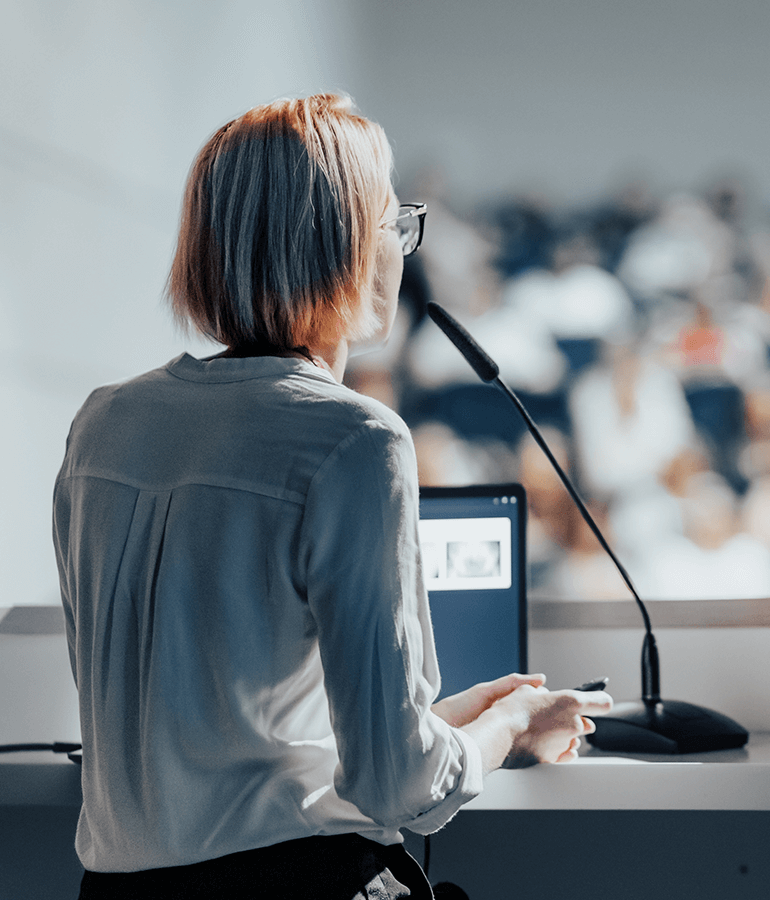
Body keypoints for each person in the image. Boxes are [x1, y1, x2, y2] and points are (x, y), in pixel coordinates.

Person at [52, 94, 611, 900]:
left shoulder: (102, 426)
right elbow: (403, 791)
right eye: (395, 223)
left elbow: (225, 750)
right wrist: (508, 727)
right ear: (343, 244)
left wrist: (443, 722)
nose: (403, 250)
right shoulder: (354, 441)